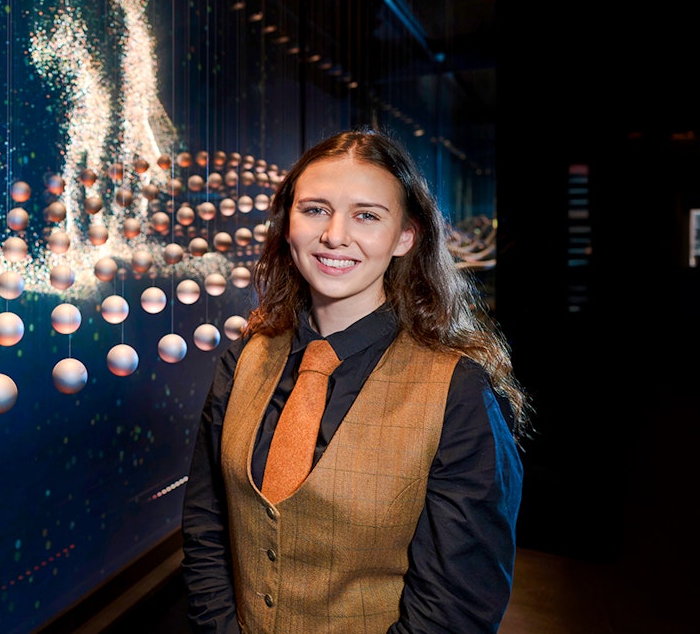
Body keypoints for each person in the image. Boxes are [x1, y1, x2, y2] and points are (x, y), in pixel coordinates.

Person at [181, 129, 530, 633]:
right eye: (315, 209)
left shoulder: (459, 391)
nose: (335, 235)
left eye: (366, 215)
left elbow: (456, 607)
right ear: (287, 224)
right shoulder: (243, 359)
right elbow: (206, 527)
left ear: (405, 236)